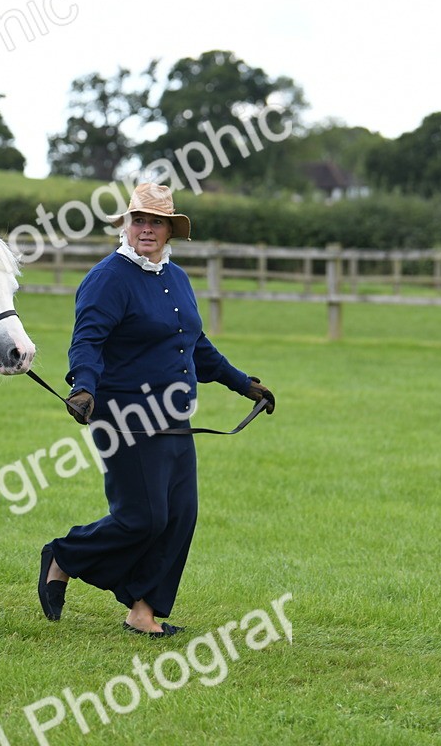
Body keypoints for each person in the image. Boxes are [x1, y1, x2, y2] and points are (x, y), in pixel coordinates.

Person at [37, 183, 275, 637]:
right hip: (125, 416)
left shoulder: (176, 277)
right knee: (142, 518)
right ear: (126, 226)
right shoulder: (108, 278)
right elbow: (88, 340)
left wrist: (243, 383)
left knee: (180, 516)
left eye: (157, 222)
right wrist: (83, 387)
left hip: (174, 417)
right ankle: (63, 556)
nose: (146, 229)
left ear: (170, 231)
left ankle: (143, 612)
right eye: (139, 221)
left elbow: (194, 344)